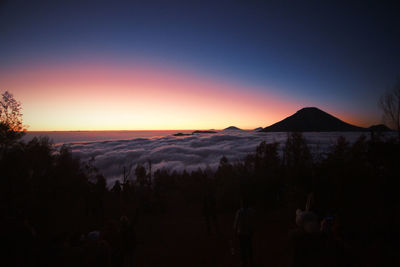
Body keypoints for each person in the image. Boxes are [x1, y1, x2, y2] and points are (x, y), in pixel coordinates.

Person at [233, 198, 255, 267]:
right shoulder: (251, 211)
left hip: (241, 233)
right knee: (249, 248)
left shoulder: (239, 212)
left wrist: (235, 230)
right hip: (248, 232)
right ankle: (251, 262)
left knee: (243, 249)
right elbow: (253, 222)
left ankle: (244, 263)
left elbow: (236, 223)